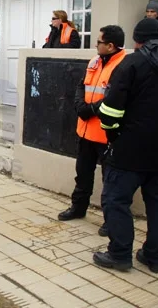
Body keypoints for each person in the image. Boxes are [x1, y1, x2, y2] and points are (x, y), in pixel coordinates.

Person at [94, 18, 158, 273]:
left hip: (130, 150)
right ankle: (154, 257)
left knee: (116, 200)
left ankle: (120, 254)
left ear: (138, 41)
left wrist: (113, 137)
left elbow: (110, 111)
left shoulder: (130, 64)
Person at [58, 25, 127, 237]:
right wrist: (80, 105)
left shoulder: (124, 66)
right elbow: (82, 85)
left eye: (98, 41)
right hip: (86, 131)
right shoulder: (95, 60)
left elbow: (116, 97)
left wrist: (91, 110)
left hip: (106, 133)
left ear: (110, 45)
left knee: (111, 181)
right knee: (83, 174)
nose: (95, 44)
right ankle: (78, 208)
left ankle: (110, 220)